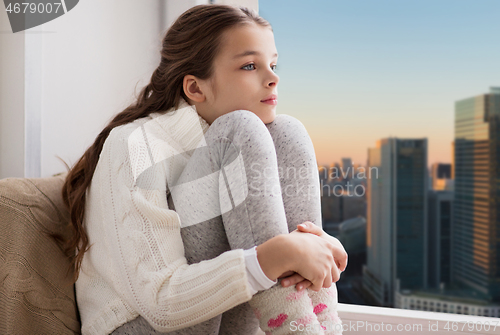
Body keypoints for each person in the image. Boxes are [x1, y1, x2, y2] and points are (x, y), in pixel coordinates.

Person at [62, 4, 347, 335]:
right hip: (142, 325)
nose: (273, 78)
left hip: (222, 321)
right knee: (239, 131)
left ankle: (321, 324)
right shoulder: (136, 145)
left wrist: (317, 249)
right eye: (250, 66)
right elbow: (162, 305)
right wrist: (273, 257)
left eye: (273, 64)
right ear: (195, 88)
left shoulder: (231, 145)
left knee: (287, 131)